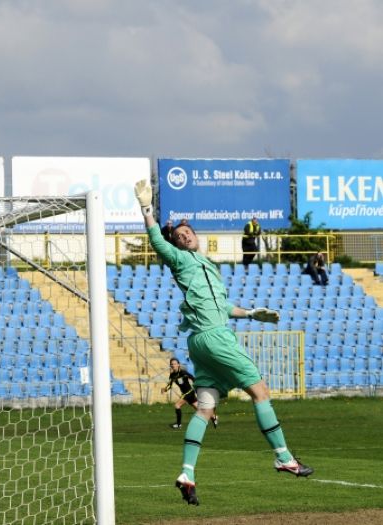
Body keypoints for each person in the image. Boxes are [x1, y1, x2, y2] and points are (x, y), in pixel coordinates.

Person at [134, 180, 313, 506]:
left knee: (204, 408)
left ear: (197, 236)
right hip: (215, 338)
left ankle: (186, 473)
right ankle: (284, 456)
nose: (184, 236)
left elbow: (224, 306)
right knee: (260, 391)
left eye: (187, 233)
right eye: (179, 236)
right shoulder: (179, 260)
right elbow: (157, 241)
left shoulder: (209, 269)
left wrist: (253, 314)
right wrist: (147, 209)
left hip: (200, 343)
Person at [161, 357, 218, 430]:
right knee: (200, 409)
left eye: (175, 364)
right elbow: (170, 385)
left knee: (177, 405)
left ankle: (178, 424)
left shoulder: (183, 373)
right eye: (171, 364)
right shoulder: (172, 375)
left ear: (178, 365)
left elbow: (193, 378)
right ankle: (214, 417)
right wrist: (165, 389)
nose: (173, 365)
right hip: (186, 393)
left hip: (189, 392)